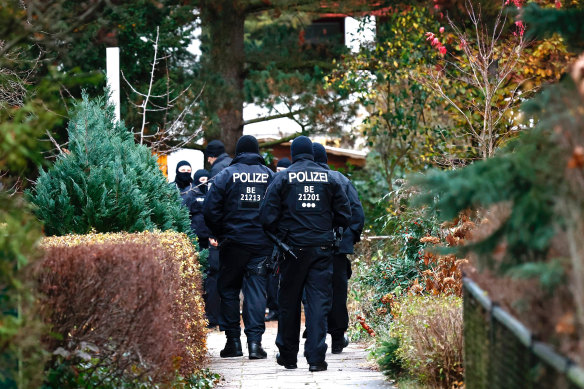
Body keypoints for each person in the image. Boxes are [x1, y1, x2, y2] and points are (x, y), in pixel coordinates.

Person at [259, 136, 351, 372]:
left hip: (292, 250)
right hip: (322, 249)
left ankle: (289, 356)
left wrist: (283, 231)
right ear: (311, 152)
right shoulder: (329, 178)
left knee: (288, 303)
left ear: (293, 153)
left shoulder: (282, 177)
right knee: (319, 303)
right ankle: (316, 359)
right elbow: (344, 214)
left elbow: (266, 216)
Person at [203, 135, 275, 360]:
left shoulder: (225, 175)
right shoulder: (270, 176)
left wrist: (219, 233)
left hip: (232, 243)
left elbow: (210, 208)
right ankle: (255, 344)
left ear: (239, 152)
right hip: (261, 244)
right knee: (255, 291)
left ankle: (233, 342)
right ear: (257, 151)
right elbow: (279, 208)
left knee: (229, 291)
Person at [313, 143, 365, 354]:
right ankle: (337, 338)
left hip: (310, 245)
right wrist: (347, 239)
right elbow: (357, 214)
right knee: (337, 293)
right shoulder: (341, 180)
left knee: (314, 293)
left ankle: (316, 337)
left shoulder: (300, 180)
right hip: (337, 248)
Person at [264, 157, 292, 323]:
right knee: (272, 275)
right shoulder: (274, 184)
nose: (279, 174)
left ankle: (282, 309)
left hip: (287, 237)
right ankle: (274, 307)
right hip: (276, 238)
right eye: (278, 170)